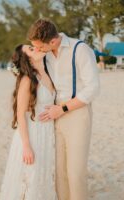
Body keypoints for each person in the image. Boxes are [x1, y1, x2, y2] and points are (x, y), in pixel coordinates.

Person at [27, 18, 100, 200]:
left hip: (77, 112)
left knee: (75, 172)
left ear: (52, 41)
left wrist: (63, 108)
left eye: (40, 47)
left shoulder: (80, 49)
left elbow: (93, 88)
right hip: (55, 115)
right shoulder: (47, 53)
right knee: (60, 172)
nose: (38, 50)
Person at [0, 44, 58, 200]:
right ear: (28, 60)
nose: (36, 48)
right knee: (28, 179)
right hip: (32, 136)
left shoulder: (47, 73)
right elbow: (20, 114)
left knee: (41, 178)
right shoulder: (27, 80)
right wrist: (26, 147)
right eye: (31, 49)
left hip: (46, 134)